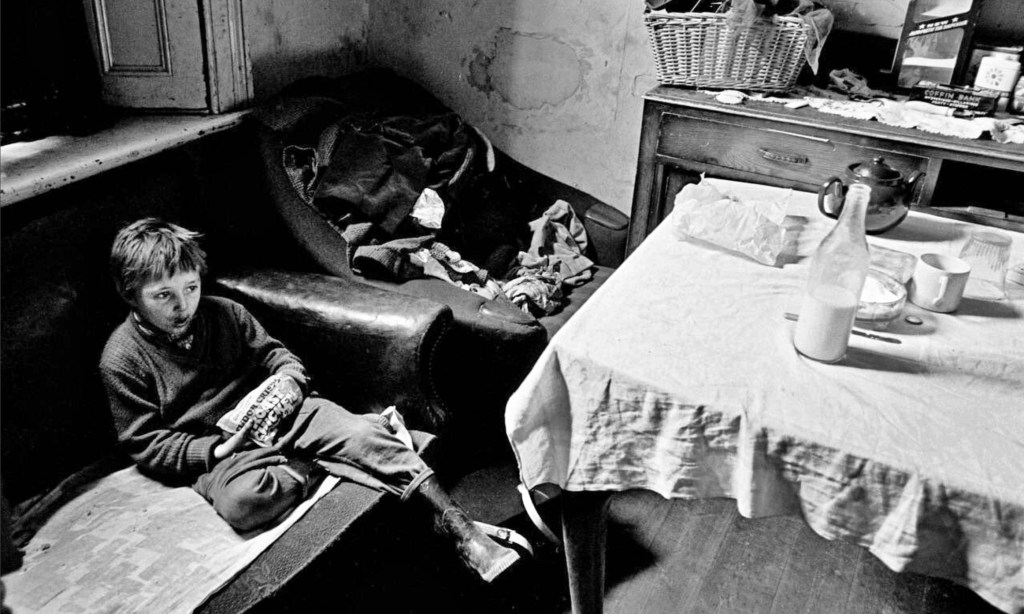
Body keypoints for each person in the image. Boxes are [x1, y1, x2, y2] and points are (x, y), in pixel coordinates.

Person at [98, 217, 520, 583]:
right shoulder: (122, 358)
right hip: (223, 450)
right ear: (131, 294)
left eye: (190, 287)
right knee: (243, 503)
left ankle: (461, 528)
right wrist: (214, 449)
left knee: (360, 435)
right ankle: (318, 464)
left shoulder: (224, 312)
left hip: (284, 413)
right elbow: (144, 443)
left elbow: (277, 354)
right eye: (163, 296)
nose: (182, 304)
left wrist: (288, 379)